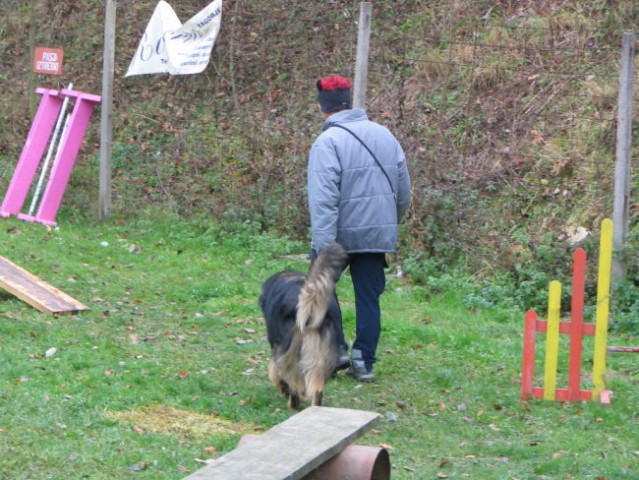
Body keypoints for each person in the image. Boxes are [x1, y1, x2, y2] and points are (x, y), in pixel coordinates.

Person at [307, 74, 412, 382]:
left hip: (338, 235)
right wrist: (389, 223)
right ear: (348, 101)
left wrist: (323, 245)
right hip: (377, 234)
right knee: (369, 298)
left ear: (321, 108)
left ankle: (336, 350)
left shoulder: (327, 142)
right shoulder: (385, 135)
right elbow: (404, 191)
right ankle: (364, 361)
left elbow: (323, 199)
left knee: (322, 288)